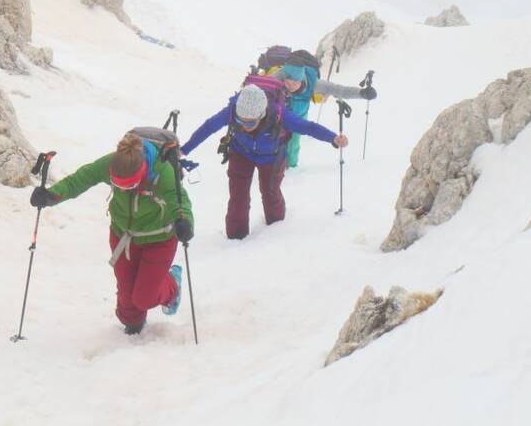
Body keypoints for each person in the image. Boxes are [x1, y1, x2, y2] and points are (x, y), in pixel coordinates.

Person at [29, 130, 193, 335]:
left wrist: (184, 220)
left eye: (130, 186)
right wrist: (52, 195)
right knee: (128, 313)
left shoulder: (162, 171)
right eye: (118, 186)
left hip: (158, 238)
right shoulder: (112, 162)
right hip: (123, 235)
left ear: (142, 171)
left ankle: (172, 285)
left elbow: (180, 201)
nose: (123, 191)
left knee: (144, 297)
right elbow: (81, 178)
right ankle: (135, 324)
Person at [181, 83, 347, 239]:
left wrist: (333, 138)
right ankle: (235, 239)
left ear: (262, 115)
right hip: (241, 152)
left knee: (270, 193)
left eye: (250, 122)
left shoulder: (280, 114)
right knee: (238, 197)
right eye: (240, 120)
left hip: (272, 157)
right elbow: (209, 127)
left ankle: (275, 234)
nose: (244, 125)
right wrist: (184, 149)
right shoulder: (232, 110)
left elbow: (308, 127)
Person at [256, 48, 377, 168]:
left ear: (302, 79)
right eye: (288, 83)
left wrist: (362, 93)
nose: (291, 87)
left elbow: (339, 90)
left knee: (293, 144)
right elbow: (258, 89)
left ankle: (291, 170)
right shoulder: (277, 77)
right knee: (274, 142)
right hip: (279, 115)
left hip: (300, 115)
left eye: (295, 83)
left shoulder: (313, 83)